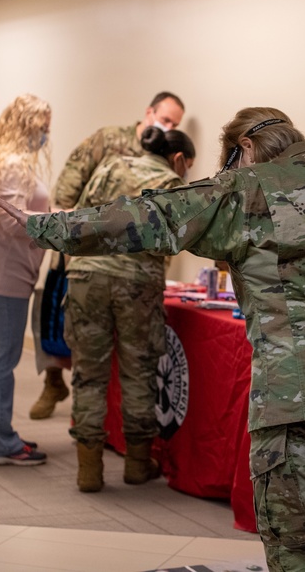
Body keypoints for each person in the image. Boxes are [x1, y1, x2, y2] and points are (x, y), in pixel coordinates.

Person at [0, 107, 305, 572]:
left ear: (246, 147)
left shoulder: (246, 191)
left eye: (230, 160)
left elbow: (150, 216)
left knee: (301, 555)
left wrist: (45, 227)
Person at [29, 90, 185, 420]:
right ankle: (53, 384)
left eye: (175, 124)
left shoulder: (165, 157)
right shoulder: (109, 140)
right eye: (166, 118)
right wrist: (73, 242)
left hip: (132, 269)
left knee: (112, 357)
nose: (168, 126)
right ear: (149, 111)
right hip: (84, 252)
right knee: (58, 328)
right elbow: (68, 191)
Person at [65, 127, 196, 492]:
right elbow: (167, 244)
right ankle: (137, 465)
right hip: (136, 282)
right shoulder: (171, 183)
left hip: (86, 274)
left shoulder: (111, 165)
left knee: (89, 373)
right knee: (139, 371)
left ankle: (88, 471)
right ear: (180, 159)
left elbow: (82, 215)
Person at [0, 93, 53, 466]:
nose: (46, 135)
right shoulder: (15, 164)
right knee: (4, 356)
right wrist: (52, 223)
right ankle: (2, 442)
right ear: (27, 126)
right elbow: (9, 218)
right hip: (6, 270)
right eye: (43, 128)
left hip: (1, 267)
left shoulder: (3, 160)